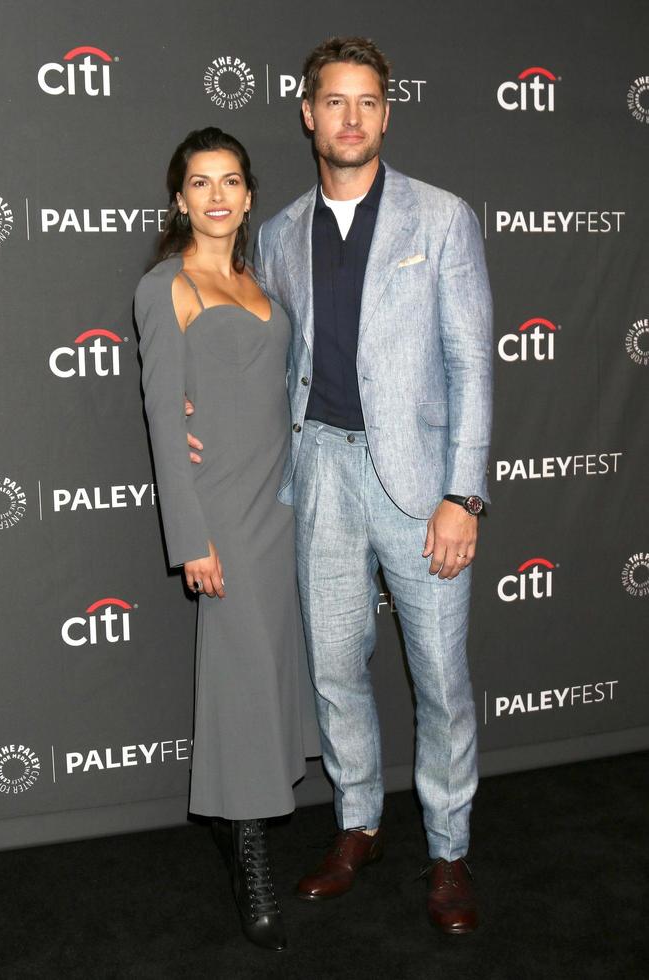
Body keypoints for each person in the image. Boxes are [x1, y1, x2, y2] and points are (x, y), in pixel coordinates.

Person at [188, 36, 493, 935]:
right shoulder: (276, 233)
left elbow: (474, 364)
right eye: (334, 102)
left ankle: (448, 849)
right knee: (333, 670)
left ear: (386, 114)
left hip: (421, 488)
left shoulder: (441, 220)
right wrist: (195, 411)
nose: (350, 118)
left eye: (367, 102)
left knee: (439, 678)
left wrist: (463, 493)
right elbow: (255, 357)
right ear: (308, 114)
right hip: (316, 471)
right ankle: (358, 821)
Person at [135, 127, 317, 951]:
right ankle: (248, 856)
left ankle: (231, 810)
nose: (216, 195)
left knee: (271, 671)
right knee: (241, 677)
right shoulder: (164, 286)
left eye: (231, 181)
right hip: (222, 515)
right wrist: (192, 538)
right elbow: (163, 421)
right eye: (200, 182)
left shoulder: (261, 279)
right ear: (181, 199)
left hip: (284, 503)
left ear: (248, 197)